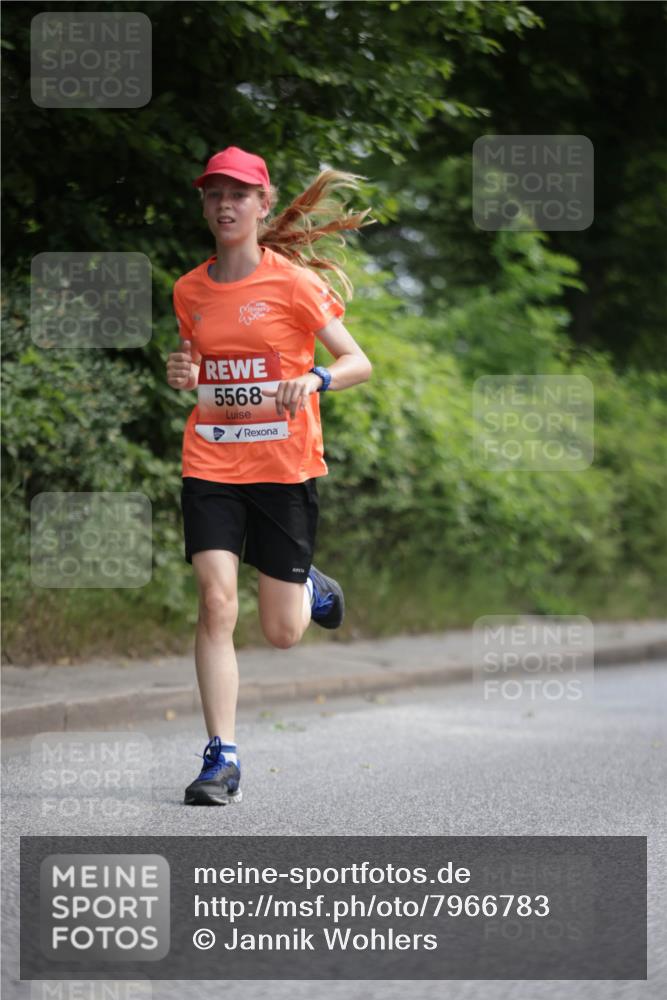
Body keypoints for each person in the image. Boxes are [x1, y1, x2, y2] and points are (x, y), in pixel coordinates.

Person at [166, 146, 373, 806]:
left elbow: (356, 362)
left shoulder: (291, 284)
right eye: (213, 194)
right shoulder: (189, 290)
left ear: (261, 203)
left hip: (282, 468)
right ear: (205, 205)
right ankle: (220, 758)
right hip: (211, 462)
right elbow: (200, 375)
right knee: (216, 600)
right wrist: (184, 376)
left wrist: (313, 377)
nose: (224, 205)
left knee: (281, 634)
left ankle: (308, 583)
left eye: (237, 194)